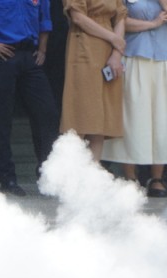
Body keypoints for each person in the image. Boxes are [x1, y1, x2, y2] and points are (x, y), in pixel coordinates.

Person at [101, 0, 167, 197]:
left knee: (163, 118)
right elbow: (120, 21)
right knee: (132, 117)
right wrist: (153, 24)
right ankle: (130, 177)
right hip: (133, 56)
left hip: (165, 59)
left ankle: (157, 178)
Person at [0, 0, 60, 197]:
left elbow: (45, 19)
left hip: (29, 55)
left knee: (47, 113)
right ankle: (7, 179)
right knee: (1, 119)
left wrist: (42, 49)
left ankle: (46, 174)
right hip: (3, 55)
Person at [60, 0, 127, 162]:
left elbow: (120, 16)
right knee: (80, 114)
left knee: (100, 119)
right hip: (84, 44)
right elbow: (78, 18)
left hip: (109, 49)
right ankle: (71, 176)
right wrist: (112, 37)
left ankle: (94, 175)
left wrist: (117, 53)